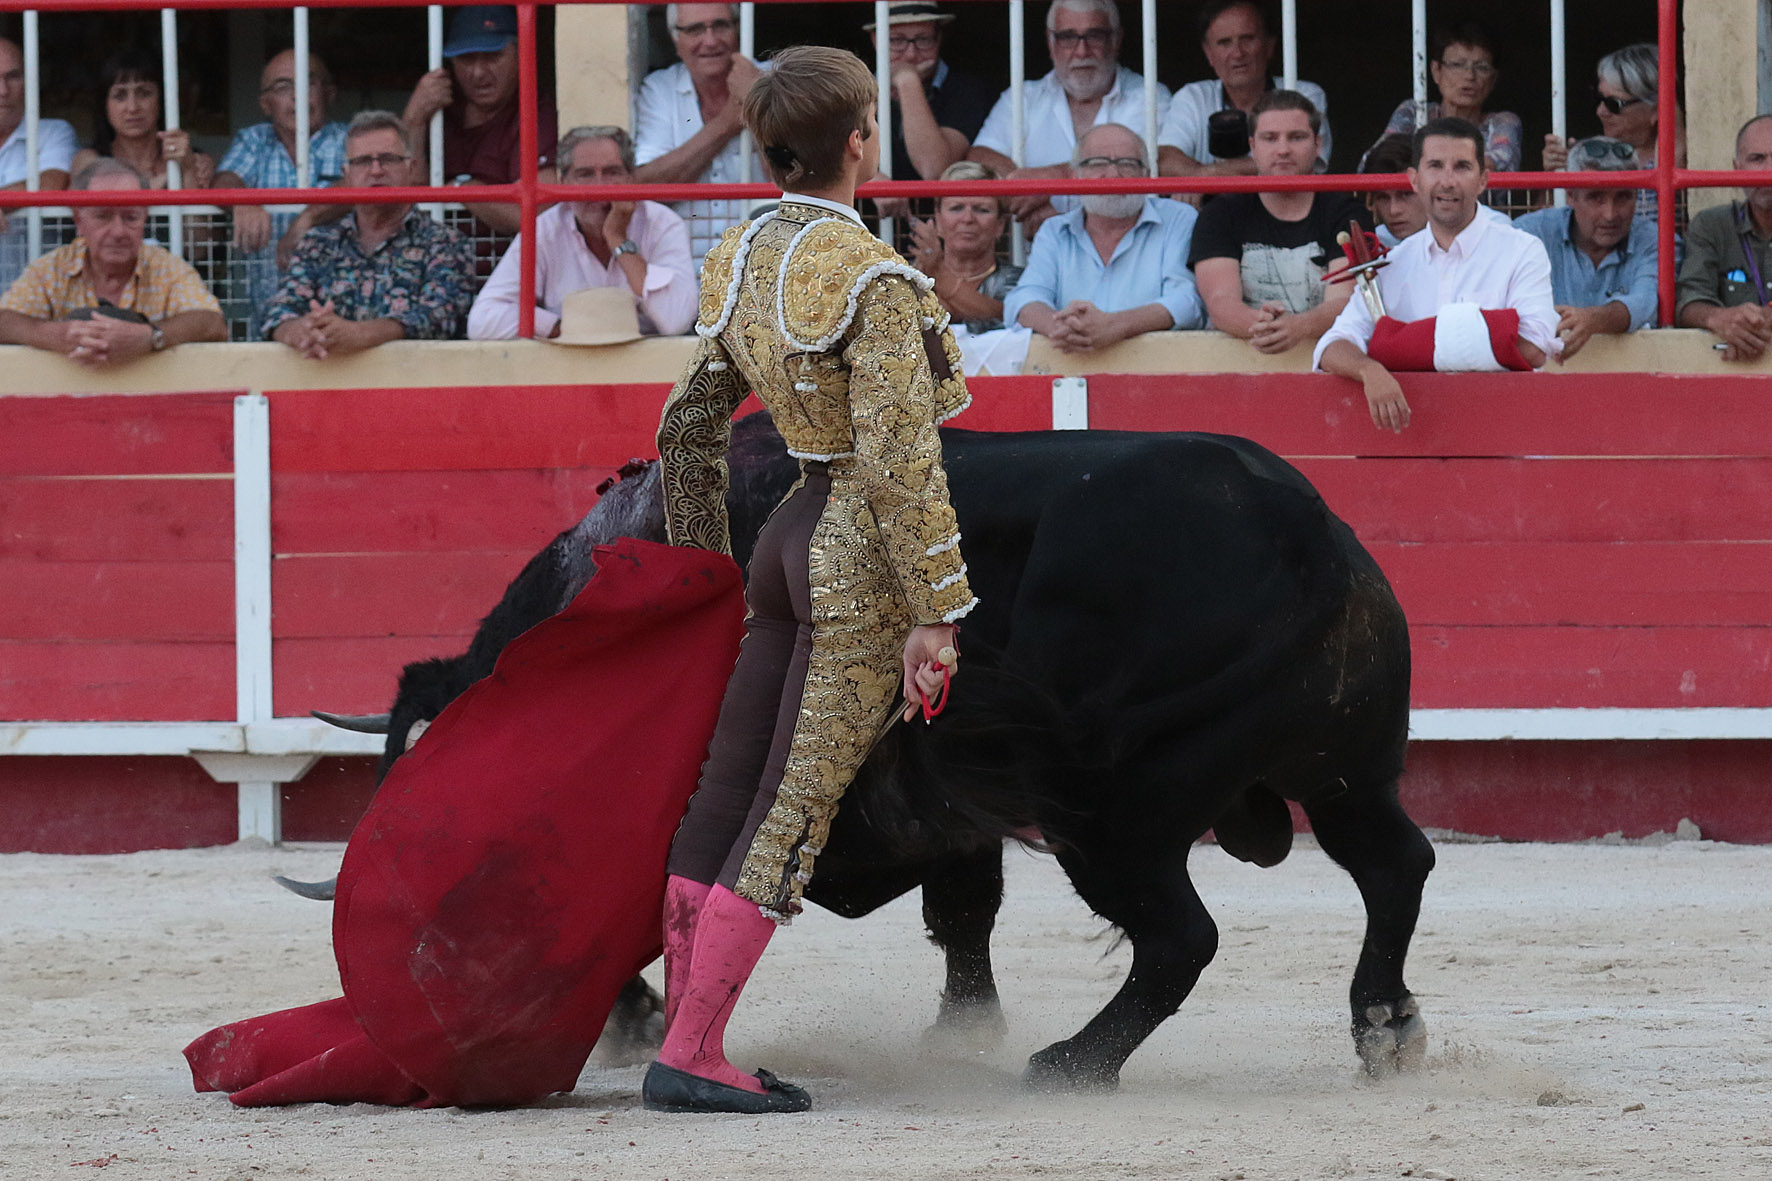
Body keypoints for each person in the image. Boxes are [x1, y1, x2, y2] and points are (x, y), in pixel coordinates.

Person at [648, 44, 975, 1115]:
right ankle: (693, 1049)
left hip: (782, 534)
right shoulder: (877, 276)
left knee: (721, 794)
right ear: (857, 140)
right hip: (849, 556)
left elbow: (688, 423)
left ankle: (683, 1032)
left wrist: (699, 558)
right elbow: (896, 459)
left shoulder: (738, 257)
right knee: (786, 811)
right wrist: (937, 609)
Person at [1314, 119, 1560, 432]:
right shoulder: (1394, 262)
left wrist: (1396, 346)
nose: (1447, 181)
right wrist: (1370, 369)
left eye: (1461, 167)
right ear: (1414, 180)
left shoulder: (1523, 250)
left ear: (1483, 180)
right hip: (1417, 440)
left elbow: (1534, 347)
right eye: (1435, 166)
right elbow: (1332, 345)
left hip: (1505, 433)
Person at [264, 112, 476, 355]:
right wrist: (300, 331)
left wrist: (361, 334)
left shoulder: (446, 243)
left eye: (388, 159)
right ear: (347, 174)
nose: (376, 170)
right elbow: (278, 311)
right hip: (329, 386)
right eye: (363, 161)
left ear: (411, 168)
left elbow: (440, 317)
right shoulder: (318, 243)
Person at [468, 126, 696, 340]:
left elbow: (676, 321)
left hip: (650, 369)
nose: (599, 188)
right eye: (585, 174)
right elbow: (482, 320)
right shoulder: (545, 231)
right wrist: (562, 328)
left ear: (631, 178)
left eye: (612, 172)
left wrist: (618, 238)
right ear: (563, 183)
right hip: (569, 368)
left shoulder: (662, 223)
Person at [1187, 91, 1366, 354]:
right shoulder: (1219, 214)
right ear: (1253, 146)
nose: (1283, 149)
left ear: (1317, 144)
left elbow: (1344, 300)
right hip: (1241, 368)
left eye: (1296, 137)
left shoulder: (1347, 212)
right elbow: (1221, 303)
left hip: (1331, 363)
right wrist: (1271, 328)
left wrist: (1298, 327)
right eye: (1270, 138)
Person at [968, 0, 1171, 232]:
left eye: (1095, 36)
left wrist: (1049, 189)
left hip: (1124, 247)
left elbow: (1139, 165)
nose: (1081, 51)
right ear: (1051, 42)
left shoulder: (1149, 96)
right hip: (1031, 256)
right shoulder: (1024, 97)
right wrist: (1029, 195)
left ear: (1116, 39)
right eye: (1068, 37)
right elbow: (980, 157)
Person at [1002, 123, 1204, 352]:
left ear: (1146, 175)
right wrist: (1060, 328)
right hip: (1070, 370)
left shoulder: (1177, 218)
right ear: (1076, 176)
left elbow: (1187, 301)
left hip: (1156, 367)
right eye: (1097, 164)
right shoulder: (1054, 231)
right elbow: (1024, 298)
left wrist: (1116, 326)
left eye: (1127, 164)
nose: (1113, 175)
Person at [0, 158, 225, 363]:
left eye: (130, 217)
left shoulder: (166, 267)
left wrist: (150, 336)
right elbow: (4, 321)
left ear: (145, 218)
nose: (118, 231)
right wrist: (55, 335)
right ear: (79, 220)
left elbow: (213, 323)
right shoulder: (51, 268)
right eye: (103, 216)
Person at [213, 50, 348, 340]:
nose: (298, 96)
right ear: (265, 104)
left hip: (341, 321)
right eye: (284, 87)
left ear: (329, 93)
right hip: (264, 323)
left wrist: (307, 218)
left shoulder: (351, 140)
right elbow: (224, 180)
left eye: (308, 84)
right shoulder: (254, 140)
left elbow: (365, 183)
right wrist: (242, 201)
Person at [401, 4, 560, 236]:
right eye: (466, 59)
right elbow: (403, 195)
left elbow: (533, 213)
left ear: (520, 54)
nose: (477, 72)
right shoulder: (441, 109)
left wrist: (462, 188)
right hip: (435, 263)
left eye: (492, 57)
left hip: (505, 267)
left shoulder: (535, 112)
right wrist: (414, 119)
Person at [634, 3, 763, 262]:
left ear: (738, 29)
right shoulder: (660, 89)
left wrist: (760, 103)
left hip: (764, 265)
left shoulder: (774, 79)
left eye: (721, 26)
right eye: (694, 30)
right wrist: (727, 123)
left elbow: (800, 183)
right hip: (680, 269)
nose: (710, 40)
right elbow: (645, 188)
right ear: (675, 37)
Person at [1513, 137, 1657, 361]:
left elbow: (1647, 301)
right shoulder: (1530, 233)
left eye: (1623, 197)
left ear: (1637, 196)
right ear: (1570, 195)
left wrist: (1594, 320)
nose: (1610, 214)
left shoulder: (1652, 239)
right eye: (1595, 197)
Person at [1158, 1, 1331, 182]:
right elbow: (1164, 159)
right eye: (1225, 43)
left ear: (1269, 45)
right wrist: (1201, 176)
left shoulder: (1302, 94)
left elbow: (1303, 159)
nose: (1238, 53)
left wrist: (1200, 178)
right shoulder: (1193, 97)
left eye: (1247, 39)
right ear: (1208, 53)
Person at [1543, 42, 1685, 227]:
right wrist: (1553, 177)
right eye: (1599, 99)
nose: (1600, 111)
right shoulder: (1587, 156)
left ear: (1657, 109)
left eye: (1613, 104)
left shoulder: (1679, 160)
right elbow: (1548, 225)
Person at [1675, 114, 1772, 363]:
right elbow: (1688, 302)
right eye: (1757, 159)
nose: (1768, 171)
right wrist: (1721, 320)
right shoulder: (1712, 225)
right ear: (1737, 169)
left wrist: (1752, 323)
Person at [865, 2, 994, 183]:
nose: (911, 54)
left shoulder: (966, 90)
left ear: (939, 37)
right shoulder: (853, 92)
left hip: (946, 211)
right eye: (896, 40)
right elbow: (828, 163)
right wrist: (868, 179)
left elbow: (933, 170)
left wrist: (907, 81)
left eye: (923, 39)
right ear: (876, 39)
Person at [1365, 23, 1520, 173]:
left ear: (1493, 79)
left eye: (1482, 67)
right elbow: (1372, 163)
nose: (1470, 76)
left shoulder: (1502, 122)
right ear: (1436, 71)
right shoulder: (1415, 112)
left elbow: (1496, 163)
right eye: (1457, 65)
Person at [71, 47, 214, 191]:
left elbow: (195, 213)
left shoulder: (193, 159)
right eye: (120, 96)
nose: (132, 107)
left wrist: (189, 171)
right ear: (104, 105)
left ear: (162, 100)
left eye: (144, 94)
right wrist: (167, 180)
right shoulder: (89, 160)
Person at [906, 160, 1022, 333]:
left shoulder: (1021, 281)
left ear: (1000, 225)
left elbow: (1006, 314)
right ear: (938, 219)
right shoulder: (908, 275)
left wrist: (939, 274)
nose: (968, 219)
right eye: (956, 208)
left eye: (982, 210)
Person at [0, 36, 77, 284]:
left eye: (13, 77)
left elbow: (50, 184)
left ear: (29, 81)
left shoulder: (53, 132)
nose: (3, 90)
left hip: (38, 301)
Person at [1362, 131, 1509, 249]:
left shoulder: (1494, 229)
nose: (1394, 210)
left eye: (1406, 194)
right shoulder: (1376, 242)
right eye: (1382, 197)